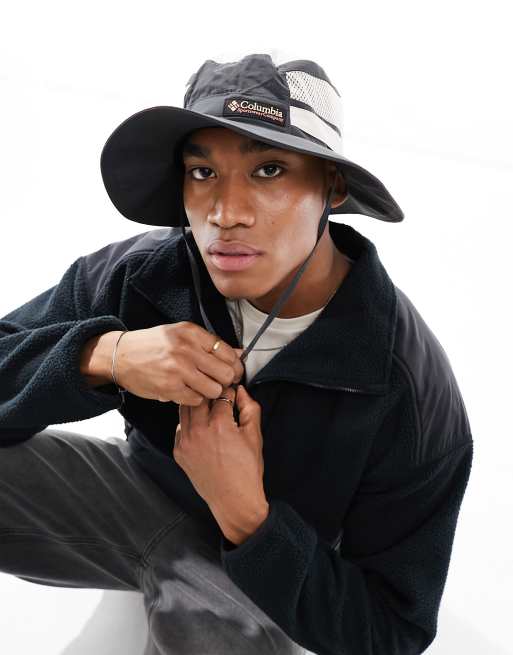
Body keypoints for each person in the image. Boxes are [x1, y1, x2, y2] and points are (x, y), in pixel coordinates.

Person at [0, 51, 474, 655]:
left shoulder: (404, 385)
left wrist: (248, 516)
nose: (226, 214)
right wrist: (104, 355)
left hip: (267, 569)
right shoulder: (142, 273)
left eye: (269, 170)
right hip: (134, 496)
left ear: (331, 187)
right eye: (203, 173)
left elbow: (391, 630)